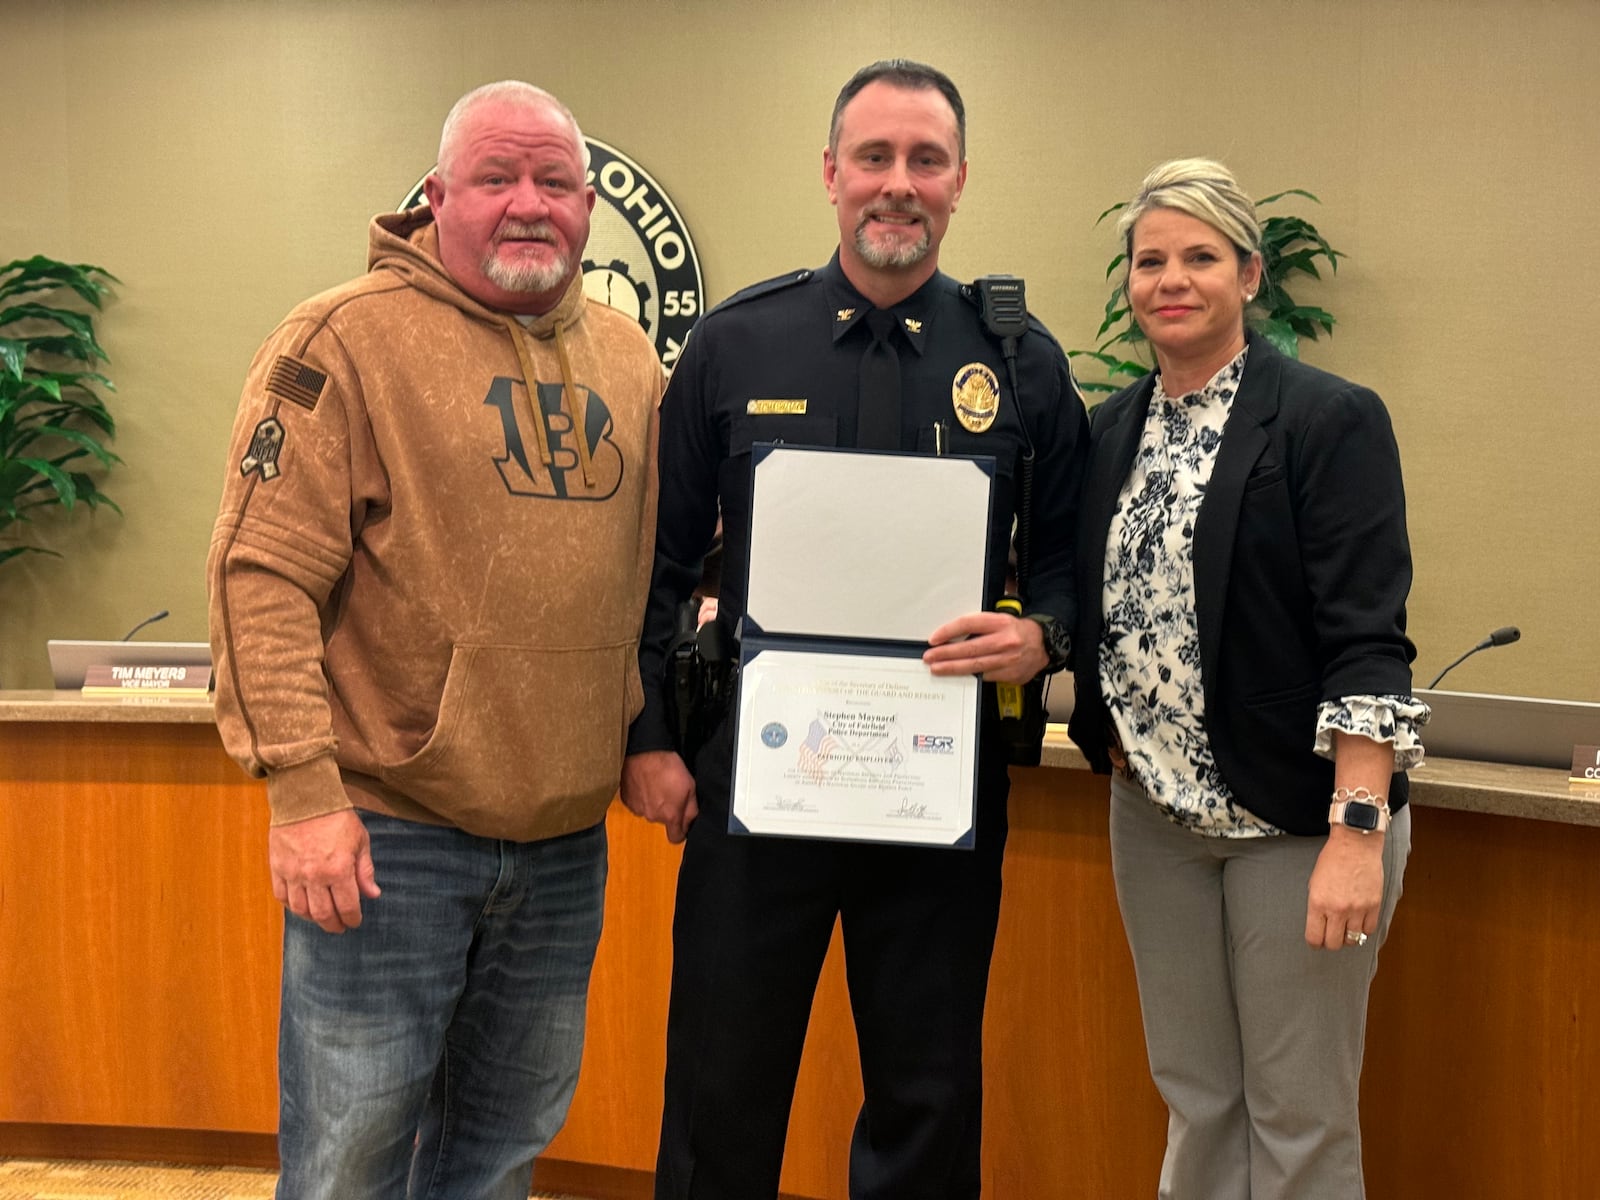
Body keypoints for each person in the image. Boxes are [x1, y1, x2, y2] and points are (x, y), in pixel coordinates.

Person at [621, 59, 1088, 1200]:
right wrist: (645, 737)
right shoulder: (737, 345)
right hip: (758, 781)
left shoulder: (1020, 360)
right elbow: (659, 560)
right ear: (831, 174)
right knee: (720, 1087)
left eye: (924, 160)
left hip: (939, 784)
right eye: (873, 158)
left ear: (960, 181)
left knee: (926, 1097)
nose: (898, 184)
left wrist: (1044, 638)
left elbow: (1076, 560)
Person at [207, 81, 663, 1200]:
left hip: (561, 844)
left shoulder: (630, 359)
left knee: (501, 1149)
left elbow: (651, 583)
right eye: (497, 178)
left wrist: (649, 729)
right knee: (349, 1157)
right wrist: (303, 794)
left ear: (587, 207)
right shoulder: (341, 341)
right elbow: (257, 575)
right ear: (436, 196)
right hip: (386, 841)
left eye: (554, 182)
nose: (527, 205)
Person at [1067, 158, 1426, 1199]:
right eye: (1148, 261)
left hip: (1297, 822)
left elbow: (1367, 638)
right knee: (1197, 1097)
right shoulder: (1109, 432)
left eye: (1199, 257)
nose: (1170, 280)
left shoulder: (1324, 419)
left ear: (1248, 276)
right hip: (1154, 821)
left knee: (1298, 1113)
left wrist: (1357, 832)